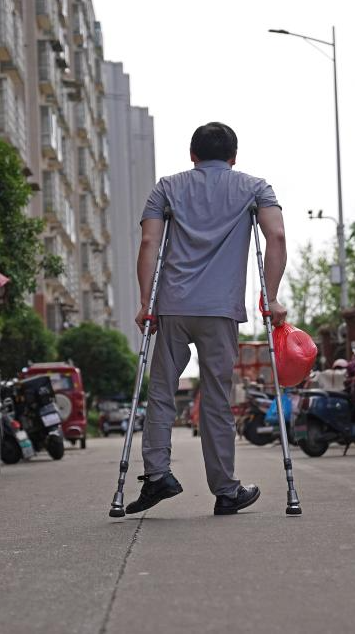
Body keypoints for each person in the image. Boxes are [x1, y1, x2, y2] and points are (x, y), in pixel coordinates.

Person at [125, 122, 287, 516]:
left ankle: (158, 474)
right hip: (220, 309)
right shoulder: (254, 187)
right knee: (216, 398)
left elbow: (149, 241)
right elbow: (277, 236)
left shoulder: (167, 187)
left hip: (173, 305)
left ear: (192, 155)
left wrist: (146, 302)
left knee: (161, 391)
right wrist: (271, 297)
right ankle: (226, 491)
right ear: (234, 157)